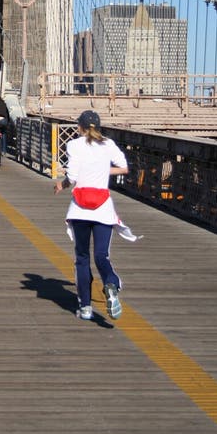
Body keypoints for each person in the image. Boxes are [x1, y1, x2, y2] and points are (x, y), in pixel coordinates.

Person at [54, 110, 139, 322]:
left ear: (80, 127)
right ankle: (110, 283)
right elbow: (124, 168)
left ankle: (85, 308)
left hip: (80, 209)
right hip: (103, 209)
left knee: (82, 258)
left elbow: (72, 177)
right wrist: (102, 170)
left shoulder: (73, 145)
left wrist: (61, 185)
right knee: (102, 255)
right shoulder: (108, 144)